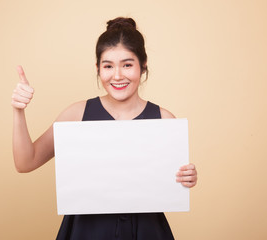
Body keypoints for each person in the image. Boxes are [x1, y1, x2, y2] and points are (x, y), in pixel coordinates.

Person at [12, 17, 197, 240]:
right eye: (108, 66)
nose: (117, 75)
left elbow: (172, 182)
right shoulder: (76, 114)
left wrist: (186, 177)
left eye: (127, 65)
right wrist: (18, 110)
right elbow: (25, 162)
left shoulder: (164, 120)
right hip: (86, 232)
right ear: (98, 68)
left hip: (147, 231)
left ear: (143, 64)